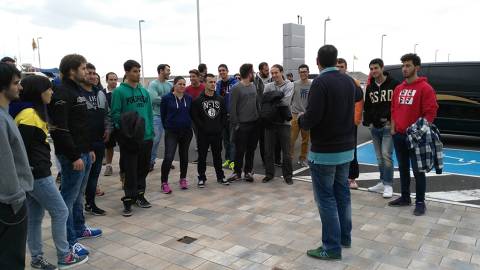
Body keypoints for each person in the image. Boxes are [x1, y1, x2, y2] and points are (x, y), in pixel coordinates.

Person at [11, 75, 88, 269]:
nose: (52, 92)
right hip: (37, 174)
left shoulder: (32, 112)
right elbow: (21, 150)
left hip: (34, 173)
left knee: (35, 217)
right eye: (49, 88)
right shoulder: (29, 114)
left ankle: (37, 258)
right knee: (61, 211)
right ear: (39, 92)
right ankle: (64, 256)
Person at [299, 45, 363, 260]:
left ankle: (331, 247)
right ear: (336, 60)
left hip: (325, 151)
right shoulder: (347, 80)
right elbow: (358, 95)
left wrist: (300, 120)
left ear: (317, 61)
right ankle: (345, 237)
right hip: (346, 149)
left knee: (326, 199)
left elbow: (312, 117)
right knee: (342, 195)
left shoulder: (320, 83)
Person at [48, 54, 102, 257]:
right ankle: (70, 241)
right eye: (82, 68)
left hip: (84, 152)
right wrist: (74, 156)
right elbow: (60, 129)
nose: (86, 72)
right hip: (72, 156)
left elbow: (80, 125)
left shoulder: (77, 90)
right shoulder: (61, 92)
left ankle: (79, 229)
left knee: (78, 195)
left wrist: (88, 149)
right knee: (68, 200)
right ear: (72, 71)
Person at [389, 53, 438, 216]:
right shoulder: (398, 88)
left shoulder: (425, 88)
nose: (404, 68)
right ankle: (404, 197)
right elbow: (394, 110)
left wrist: (417, 132)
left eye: (408, 65)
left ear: (417, 67)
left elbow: (430, 114)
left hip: (416, 137)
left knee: (419, 171)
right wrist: (393, 128)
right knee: (402, 168)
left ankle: (420, 202)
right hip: (399, 135)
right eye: (403, 65)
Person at [0, 62, 34, 270]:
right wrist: (16, 198)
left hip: (10, 203)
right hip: (9, 205)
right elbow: (4, 165)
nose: (20, 87)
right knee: (11, 261)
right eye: (16, 83)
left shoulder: (5, 114)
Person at [111, 60, 154, 216]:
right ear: (127, 72)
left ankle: (140, 195)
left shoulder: (144, 92)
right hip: (130, 138)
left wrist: (151, 131)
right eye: (135, 71)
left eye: (139, 71)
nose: (138, 73)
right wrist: (123, 131)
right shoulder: (119, 92)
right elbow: (115, 114)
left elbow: (149, 113)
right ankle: (128, 198)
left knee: (143, 168)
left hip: (146, 136)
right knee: (130, 169)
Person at [363, 58, 400, 198]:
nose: (373, 71)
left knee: (386, 155)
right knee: (379, 158)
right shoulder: (370, 86)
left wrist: (393, 122)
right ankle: (382, 182)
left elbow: (397, 106)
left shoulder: (394, 84)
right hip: (375, 127)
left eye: (376, 68)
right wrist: (369, 123)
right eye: (371, 69)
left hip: (387, 127)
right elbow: (367, 107)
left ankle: (388, 185)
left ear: (382, 68)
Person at [80, 63, 112, 216]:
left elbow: (106, 114)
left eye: (94, 73)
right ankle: (75, 209)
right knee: (80, 178)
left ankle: (90, 203)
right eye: (89, 73)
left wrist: (107, 128)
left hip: (99, 141)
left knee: (94, 174)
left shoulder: (99, 93)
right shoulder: (77, 94)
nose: (92, 76)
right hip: (83, 144)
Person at [191, 73, 229, 186]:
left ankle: (220, 176)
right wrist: (202, 127)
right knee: (202, 157)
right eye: (210, 82)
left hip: (217, 133)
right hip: (203, 134)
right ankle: (201, 177)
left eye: (214, 82)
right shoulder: (198, 100)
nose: (213, 84)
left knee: (217, 156)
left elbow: (224, 115)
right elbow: (195, 117)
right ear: (205, 83)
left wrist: (220, 127)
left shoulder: (220, 99)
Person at [227, 64, 260, 183]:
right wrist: (236, 125)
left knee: (251, 149)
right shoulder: (236, 88)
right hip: (242, 125)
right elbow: (232, 108)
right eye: (253, 72)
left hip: (254, 124)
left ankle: (248, 172)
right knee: (240, 150)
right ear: (249, 73)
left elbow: (256, 104)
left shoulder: (253, 86)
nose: (254, 74)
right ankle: (237, 172)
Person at [160, 76, 193, 194]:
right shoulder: (166, 98)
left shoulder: (189, 98)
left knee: (184, 156)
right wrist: (168, 127)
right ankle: (164, 182)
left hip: (186, 132)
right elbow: (163, 115)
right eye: (180, 84)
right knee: (169, 157)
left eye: (184, 84)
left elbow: (191, 114)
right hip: (172, 132)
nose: (182, 86)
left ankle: (183, 179)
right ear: (174, 85)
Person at [262, 64, 294, 185]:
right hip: (270, 122)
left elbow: (286, 102)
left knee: (286, 152)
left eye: (276, 73)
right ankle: (269, 174)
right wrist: (277, 97)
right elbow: (264, 101)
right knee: (268, 151)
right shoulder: (268, 86)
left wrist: (272, 99)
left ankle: (288, 175)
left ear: (281, 72)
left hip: (284, 123)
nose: (274, 75)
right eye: (272, 73)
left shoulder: (289, 85)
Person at [336, 58, 364, 189]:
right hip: (335, 124)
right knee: (336, 150)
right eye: (337, 66)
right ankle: (338, 177)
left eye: (341, 66)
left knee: (351, 150)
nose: (339, 68)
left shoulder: (354, 82)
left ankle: (352, 178)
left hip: (350, 124)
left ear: (346, 68)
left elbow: (359, 103)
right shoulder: (332, 82)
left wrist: (355, 121)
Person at [148, 64, 173, 171]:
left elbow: (173, 97)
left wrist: (163, 98)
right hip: (157, 116)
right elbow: (153, 99)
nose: (169, 72)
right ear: (161, 71)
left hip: (169, 116)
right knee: (155, 140)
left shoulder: (169, 85)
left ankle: (168, 161)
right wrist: (167, 99)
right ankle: (150, 162)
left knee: (170, 140)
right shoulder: (153, 84)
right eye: (168, 70)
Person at [215, 64, 238, 170]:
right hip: (222, 117)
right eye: (220, 71)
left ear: (227, 71)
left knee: (233, 139)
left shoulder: (235, 83)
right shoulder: (218, 84)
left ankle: (234, 161)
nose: (222, 72)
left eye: (223, 70)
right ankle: (228, 159)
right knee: (225, 140)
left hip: (232, 116)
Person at [290, 64, 312, 168]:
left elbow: (313, 101)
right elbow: (289, 99)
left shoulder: (312, 85)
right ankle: (289, 158)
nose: (303, 73)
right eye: (301, 72)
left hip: (306, 116)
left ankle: (302, 159)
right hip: (295, 115)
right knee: (291, 139)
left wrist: (307, 112)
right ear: (298, 73)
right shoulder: (294, 84)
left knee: (305, 140)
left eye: (305, 71)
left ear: (308, 72)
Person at [186, 69, 206, 163]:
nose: (191, 78)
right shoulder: (187, 89)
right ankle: (201, 157)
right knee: (199, 137)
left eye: (193, 76)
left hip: (205, 118)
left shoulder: (204, 88)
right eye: (190, 76)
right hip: (193, 118)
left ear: (199, 77)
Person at [104, 72, 118, 177]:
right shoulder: (102, 93)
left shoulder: (119, 92)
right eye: (111, 79)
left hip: (120, 122)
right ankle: (108, 166)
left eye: (115, 79)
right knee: (109, 146)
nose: (113, 82)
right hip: (108, 124)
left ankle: (125, 166)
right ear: (107, 81)